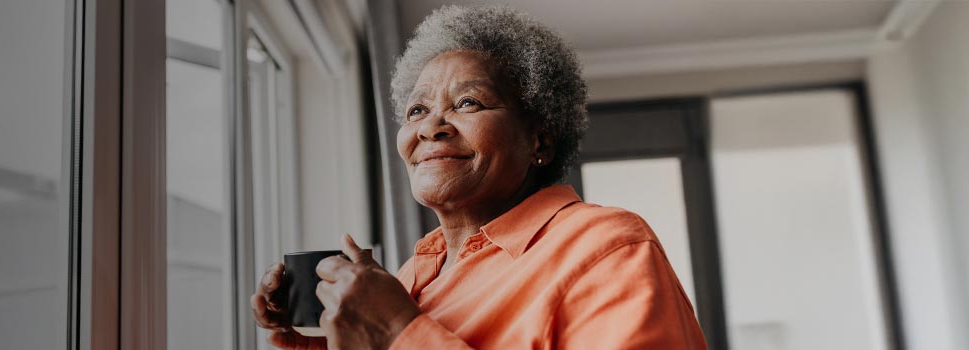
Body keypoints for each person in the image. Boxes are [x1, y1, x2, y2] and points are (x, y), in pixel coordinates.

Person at [249, 5, 706, 349]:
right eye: (416, 110)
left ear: (539, 142)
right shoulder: (412, 274)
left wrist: (397, 331)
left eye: (468, 103)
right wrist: (331, 342)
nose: (430, 127)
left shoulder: (605, 246)